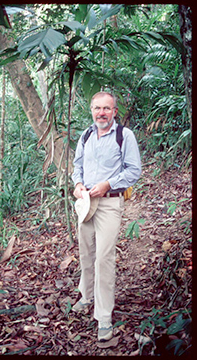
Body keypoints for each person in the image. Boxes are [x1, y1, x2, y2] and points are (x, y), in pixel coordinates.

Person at [71, 91, 141, 342]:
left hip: (109, 203)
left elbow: (134, 171)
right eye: (96, 108)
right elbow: (77, 165)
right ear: (91, 110)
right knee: (86, 252)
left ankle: (103, 317)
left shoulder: (125, 136)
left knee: (103, 258)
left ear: (114, 111)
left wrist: (108, 184)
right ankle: (86, 295)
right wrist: (78, 184)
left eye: (106, 108)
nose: (101, 112)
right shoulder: (86, 134)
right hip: (86, 202)